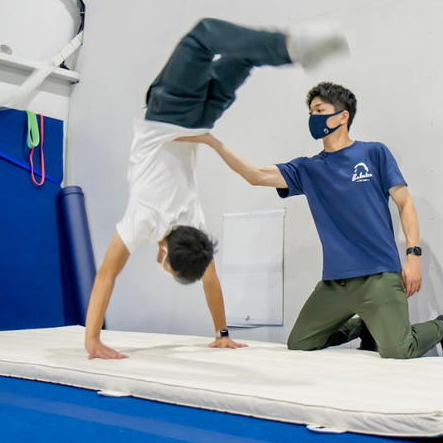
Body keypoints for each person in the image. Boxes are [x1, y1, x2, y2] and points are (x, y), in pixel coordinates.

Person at [84, 19, 350, 359]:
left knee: (243, 58)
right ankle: (292, 45)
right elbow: (106, 275)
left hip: (201, 120)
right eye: (165, 263)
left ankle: (291, 50)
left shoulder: (195, 230)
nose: (161, 262)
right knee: (202, 36)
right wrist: (92, 339)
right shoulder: (143, 222)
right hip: (170, 113)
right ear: (164, 248)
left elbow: (210, 280)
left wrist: (222, 333)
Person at [178, 82, 443, 359]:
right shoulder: (308, 168)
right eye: (310, 112)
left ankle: (442, 327)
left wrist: (413, 257)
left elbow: (405, 203)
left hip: (379, 275)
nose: (312, 117)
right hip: (335, 283)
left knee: (397, 350)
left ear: (343, 116)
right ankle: (364, 325)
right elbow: (255, 175)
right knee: (300, 342)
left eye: (319, 110)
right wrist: (212, 142)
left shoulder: (373, 153)